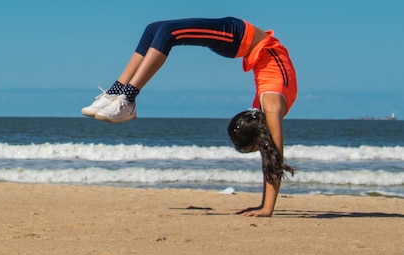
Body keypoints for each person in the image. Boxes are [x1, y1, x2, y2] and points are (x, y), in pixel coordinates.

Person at [81, 17, 297, 217]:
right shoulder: (271, 107)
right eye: (256, 148)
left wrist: (264, 205)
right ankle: (128, 98)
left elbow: (269, 156)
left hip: (243, 41)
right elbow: (274, 157)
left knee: (153, 29)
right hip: (240, 38)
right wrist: (267, 208)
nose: (261, 150)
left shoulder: (265, 109)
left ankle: (116, 92)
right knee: (167, 33)